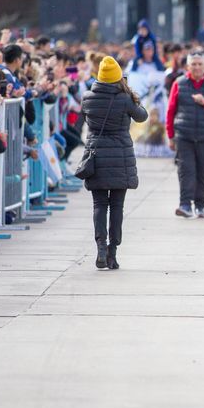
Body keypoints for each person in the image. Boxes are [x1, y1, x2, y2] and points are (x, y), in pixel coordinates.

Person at [80, 56, 148, 269]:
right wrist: (132, 95)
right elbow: (142, 117)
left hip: (96, 155)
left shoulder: (87, 98)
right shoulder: (124, 98)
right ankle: (112, 252)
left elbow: (88, 121)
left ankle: (100, 247)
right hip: (120, 155)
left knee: (99, 204)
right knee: (117, 205)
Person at [166, 51, 204, 218]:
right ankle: (185, 204)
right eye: (193, 64)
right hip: (184, 135)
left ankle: (200, 205)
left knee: (203, 171)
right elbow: (171, 111)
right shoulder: (179, 83)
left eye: (200, 64)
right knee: (186, 170)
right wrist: (170, 135)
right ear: (188, 66)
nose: (197, 67)